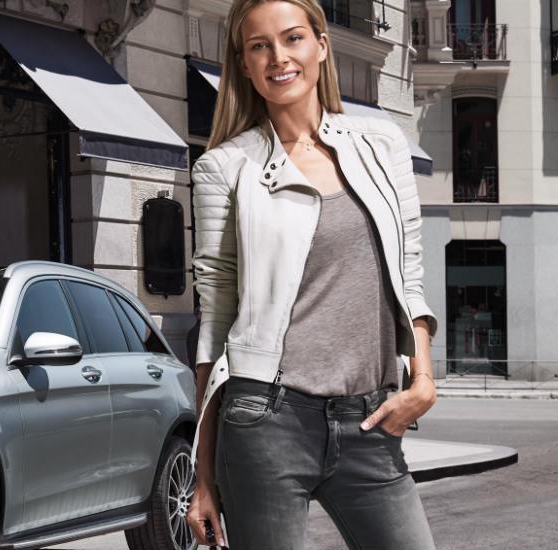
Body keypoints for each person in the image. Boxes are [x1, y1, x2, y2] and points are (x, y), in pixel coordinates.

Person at [183, 1, 440, 548]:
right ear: (246, 65)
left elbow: (408, 273)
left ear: (322, 46)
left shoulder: (383, 145)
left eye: (293, 38)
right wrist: (202, 477)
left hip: (371, 419)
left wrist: (423, 379)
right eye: (260, 46)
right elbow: (214, 323)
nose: (279, 57)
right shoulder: (224, 169)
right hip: (265, 420)